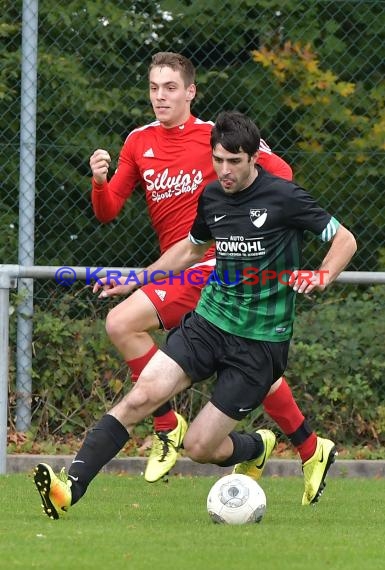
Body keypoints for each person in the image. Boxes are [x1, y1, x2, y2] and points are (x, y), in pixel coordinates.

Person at [34, 111, 357, 519]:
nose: (224, 170)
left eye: (234, 162)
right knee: (143, 395)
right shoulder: (212, 196)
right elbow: (189, 250)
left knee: (200, 447)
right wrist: (137, 279)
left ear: (254, 158)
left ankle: (257, 446)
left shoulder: (284, 197)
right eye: (218, 160)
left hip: (259, 343)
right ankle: (70, 487)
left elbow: (344, 238)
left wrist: (322, 275)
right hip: (208, 323)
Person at [87, 52, 334, 490]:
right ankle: (307, 447)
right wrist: (100, 182)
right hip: (177, 266)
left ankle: (166, 427)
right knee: (253, 366)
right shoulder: (137, 143)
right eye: (153, 88)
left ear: (190, 91)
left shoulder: (215, 140)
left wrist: (252, 229)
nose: (160, 97)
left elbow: (279, 175)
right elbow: (108, 213)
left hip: (213, 267)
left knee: (121, 321)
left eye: (170, 88)